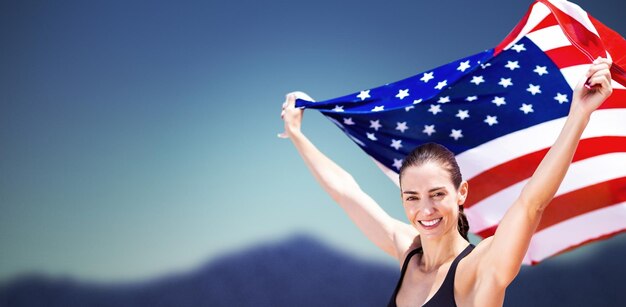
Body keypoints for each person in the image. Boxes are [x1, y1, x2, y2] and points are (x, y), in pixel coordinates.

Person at [279, 57, 613, 306]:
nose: (425, 209)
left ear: (461, 192)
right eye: (411, 197)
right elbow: (346, 192)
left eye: (436, 194)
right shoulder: (409, 250)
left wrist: (579, 115)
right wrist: (297, 136)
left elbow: (532, 203)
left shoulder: (480, 268)